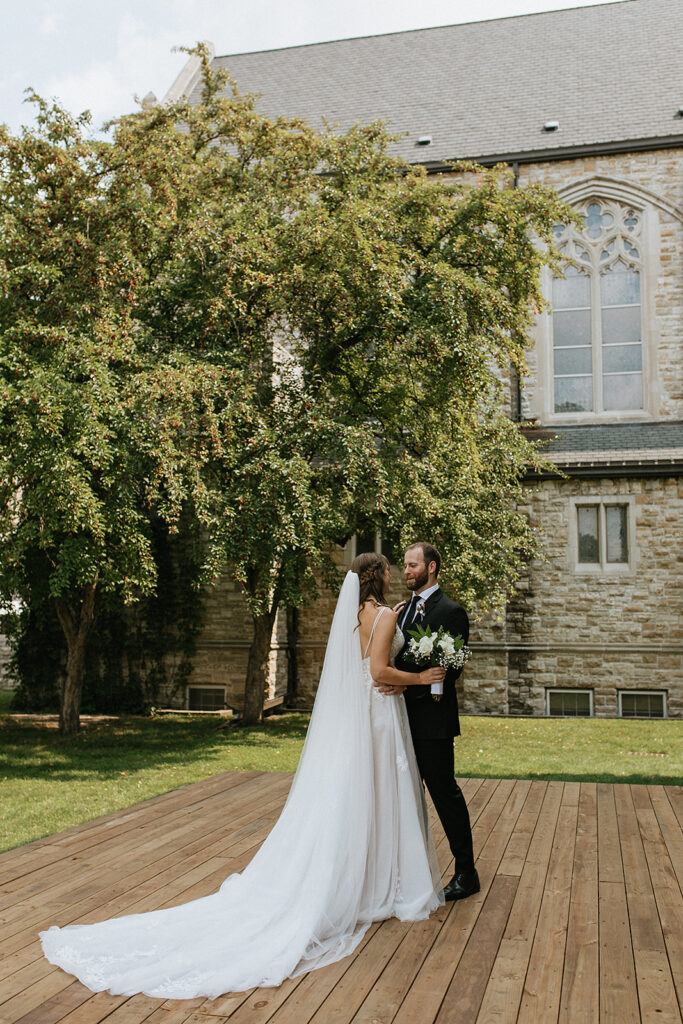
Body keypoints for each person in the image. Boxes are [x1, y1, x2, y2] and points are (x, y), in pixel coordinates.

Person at [40, 554, 446, 1000]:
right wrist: (421, 676)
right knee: (383, 794)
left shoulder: (353, 616)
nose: (397, 574)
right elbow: (378, 672)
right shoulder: (386, 615)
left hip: (360, 720)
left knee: (363, 796)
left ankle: (370, 879)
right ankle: (382, 885)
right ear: (381, 576)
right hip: (380, 716)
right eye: (392, 568)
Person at [389, 542, 479, 902]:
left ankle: (466, 872)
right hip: (397, 719)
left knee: (444, 794)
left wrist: (406, 679)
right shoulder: (400, 611)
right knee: (403, 796)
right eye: (405, 566)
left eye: (413, 565)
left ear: (432, 567)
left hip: (433, 721)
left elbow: (452, 670)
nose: (407, 571)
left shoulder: (452, 611)